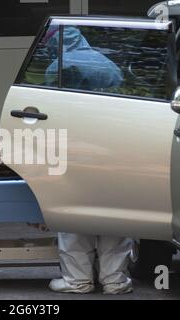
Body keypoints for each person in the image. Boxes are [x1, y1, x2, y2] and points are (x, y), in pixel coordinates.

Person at [44, 27, 133, 295]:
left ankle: (78, 280)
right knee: (112, 215)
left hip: (74, 152)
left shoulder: (56, 68)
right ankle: (114, 280)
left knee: (73, 216)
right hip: (110, 150)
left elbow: (51, 114)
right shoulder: (108, 65)